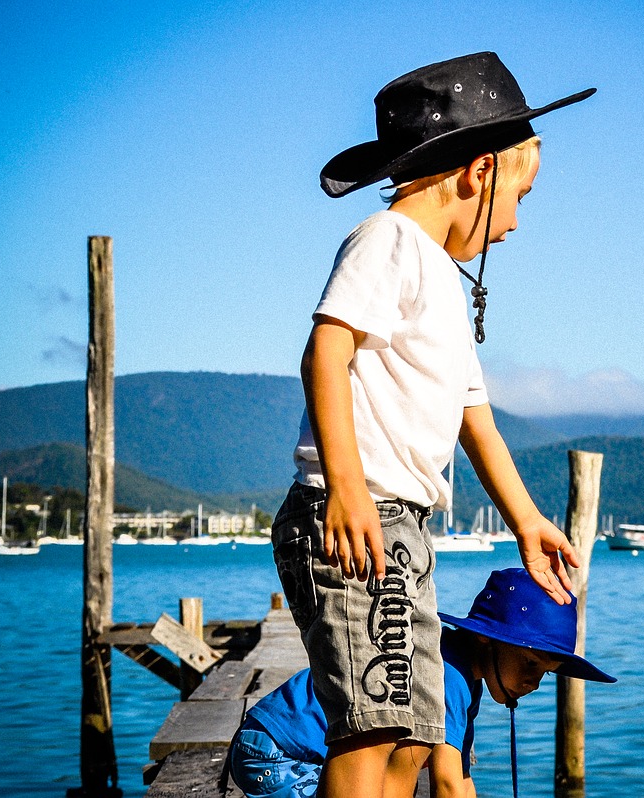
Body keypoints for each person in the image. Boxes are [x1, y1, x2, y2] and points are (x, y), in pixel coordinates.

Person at [270, 52, 595, 798]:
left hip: (403, 524)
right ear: (479, 174)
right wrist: (347, 488)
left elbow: (474, 422)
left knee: (414, 738)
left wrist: (526, 519)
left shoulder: (442, 283)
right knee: (368, 732)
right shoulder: (387, 242)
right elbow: (325, 351)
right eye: (521, 197)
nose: (515, 225)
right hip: (353, 514)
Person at [228, 568, 616, 798]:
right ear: (486, 638)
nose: (534, 682)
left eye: (544, 672)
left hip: (284, 741)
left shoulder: (463, 673)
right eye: (530, 663)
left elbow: (460, 778)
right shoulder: (446, 675)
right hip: (276, 752)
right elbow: (446, 786)